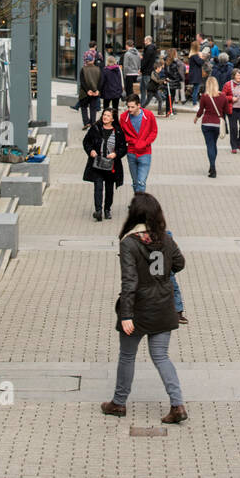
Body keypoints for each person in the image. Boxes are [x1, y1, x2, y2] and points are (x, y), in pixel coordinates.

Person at [101, 193, 187, 424]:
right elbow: (179, 263)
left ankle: (118, 403)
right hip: (163, 305)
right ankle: (177, 404)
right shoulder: (166, 239)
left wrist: (126, 315)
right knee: (161, 356)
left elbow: (129, 281)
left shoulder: (129, 242)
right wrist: (161, 272)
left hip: (138, 308)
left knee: (127, 356)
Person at [83, 107, 126, 220]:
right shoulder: (95, 128)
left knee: (109, 188)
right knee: (98, 186)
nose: (105, 117)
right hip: (97, 162)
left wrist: (115, 154)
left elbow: (123, 148)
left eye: (108, 115)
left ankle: (107, 209)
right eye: (104, 115)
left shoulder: (117, 131)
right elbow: (86, 141)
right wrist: (91, 151)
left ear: (113, 119)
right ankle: (98, 210)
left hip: (111, 165)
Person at [119, 95, 158, 194]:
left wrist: (144, 142)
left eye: (132, 107)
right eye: (128, 107)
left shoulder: (149, 115)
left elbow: (154, 131)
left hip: (145, 153)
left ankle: (139, 206)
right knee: (135, 182)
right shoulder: (124, 117)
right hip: (131, 153)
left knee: (141, 182)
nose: (130, 109)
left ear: (139, 105)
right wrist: (133, 141)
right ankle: (138, 203)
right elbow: (122, 134)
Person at [194, 76, 230, 178]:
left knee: (209, 145)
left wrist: (196, 118)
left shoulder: (204, 97)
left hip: (206, 124)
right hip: (218, 124)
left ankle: (212, 167)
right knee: (214, 144)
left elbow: (201, 110)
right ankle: (212, 165)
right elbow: (227, 111)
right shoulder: (223, 96)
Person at [78, 55, 102, 127]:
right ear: (93, 60)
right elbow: (100, 81)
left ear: (86, 61)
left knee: (84, 107)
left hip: (84, 93)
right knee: (93, 108)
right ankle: (93, 122)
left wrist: (88, 90)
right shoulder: (98, 69)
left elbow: (82, 82)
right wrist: (97, 90)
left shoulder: (83, 69)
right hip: (95, 92)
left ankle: (86, 122)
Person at [139, 36, 158, 106]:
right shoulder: (151, 49)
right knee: (143, 88)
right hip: (147, 71)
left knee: (147, 88)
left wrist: (141, 69)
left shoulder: (149, 49)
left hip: (146, 71)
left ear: (148, 41)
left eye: (145, 41)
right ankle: (142, 104)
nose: (144, 42)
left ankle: (160, 98)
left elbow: (146, 61)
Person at [187, 40, 204, 106]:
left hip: (193, 74)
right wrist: (201, 57)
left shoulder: (192, 55)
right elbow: (201, 63)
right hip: (196, 75)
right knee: (196, 90)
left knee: (195, 89)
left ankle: (195, 102)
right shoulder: (195, 56)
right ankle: (194, 103)